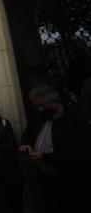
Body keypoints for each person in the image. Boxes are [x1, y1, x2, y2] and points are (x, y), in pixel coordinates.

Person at [19, 85, 91, 213]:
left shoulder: (73, 120)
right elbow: (27, 135)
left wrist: (45, 157)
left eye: (42, 105)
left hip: (69, 179)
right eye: (37, 106)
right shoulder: (38, 119)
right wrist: (26, 145)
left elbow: (80, 153)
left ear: (55, 103)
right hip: (44, 178)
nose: (40, 109)